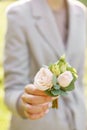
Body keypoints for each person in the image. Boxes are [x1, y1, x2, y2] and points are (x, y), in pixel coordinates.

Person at [4, 0, 87, 130]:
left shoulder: (80, 12)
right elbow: (12, 89)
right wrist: (26, 104)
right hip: (38, 124)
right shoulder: (18, 14)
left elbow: (79, 81)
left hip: (79, 121)